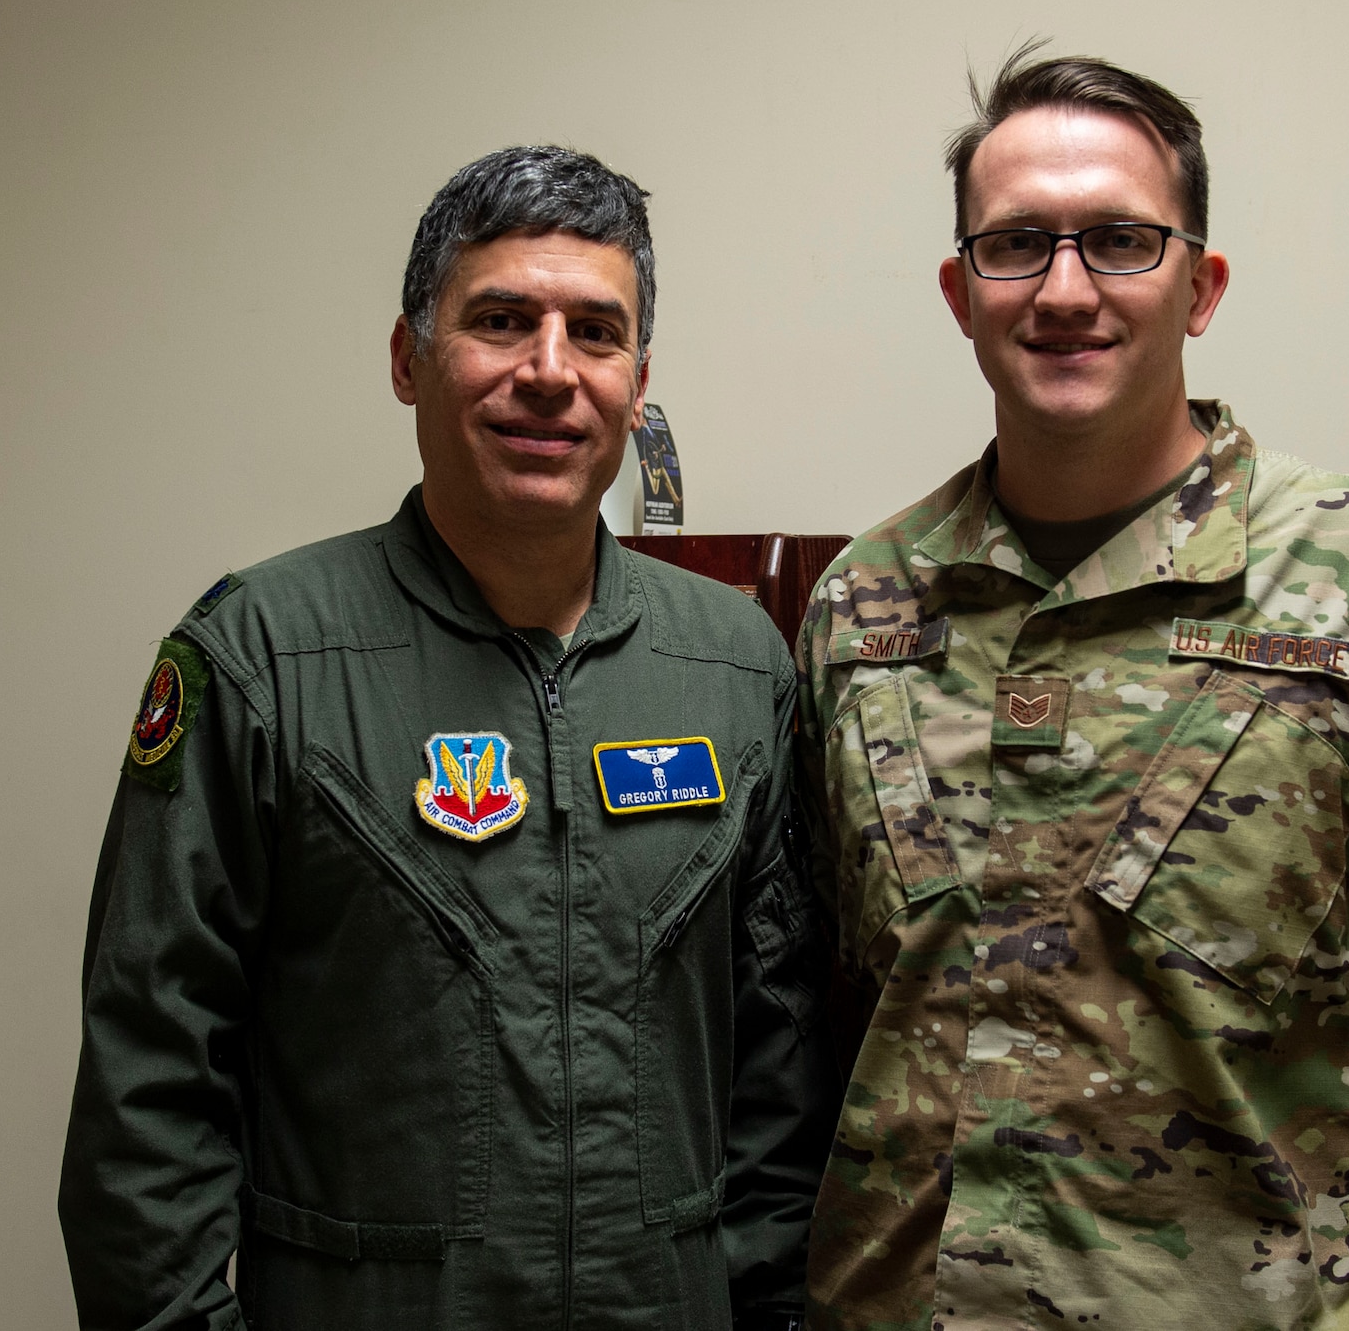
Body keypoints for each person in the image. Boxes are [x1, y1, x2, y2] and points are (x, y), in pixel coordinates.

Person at [797, 50, 1349, 1330]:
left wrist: (1328, 1213)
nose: (1064, 290)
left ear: (1200, 284)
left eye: (1119, 239)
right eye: (1015, 246)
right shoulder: (862, 606)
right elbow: (832, 995)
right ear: (960, 292)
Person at [60, 146, 833, 1331]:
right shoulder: (264, 657)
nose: (547, 371)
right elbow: (147, 1091)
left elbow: (780, 1078)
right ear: (407, 359)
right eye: (500, 319)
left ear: (636, 381)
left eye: (594, 331)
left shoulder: (733, 667)